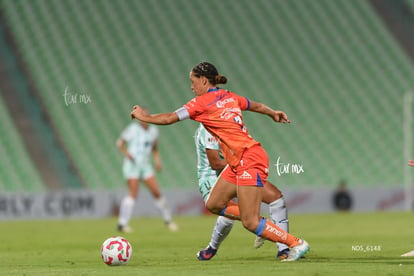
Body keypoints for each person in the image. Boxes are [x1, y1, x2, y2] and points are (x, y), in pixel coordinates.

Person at [130, 62, 309, 261]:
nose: (191, 87)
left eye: (193, 82)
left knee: (250, 222)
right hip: (238, 161)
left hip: (248, 158)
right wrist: (273, 112)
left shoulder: (201, 102)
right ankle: (269, 229)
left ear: (204, 80)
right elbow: (255, 105)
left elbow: (169, 118)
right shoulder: (230, 96)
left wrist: (142, 116)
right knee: (214, 203)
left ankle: (295, 243)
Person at [194, 123, 290, 260]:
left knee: (276, 198)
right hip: (213, 178)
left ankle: (284, 250)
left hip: (238, 172)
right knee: (228, 212)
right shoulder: (208, 128)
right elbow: (215, 163)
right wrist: (245, 164)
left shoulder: (233, 123)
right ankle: (212, 247)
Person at [116, 108, 178, 233]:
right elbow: (120, 143)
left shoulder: (153, 131)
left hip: (145, 165)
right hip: (132, 165)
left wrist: (157, 161)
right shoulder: (132, 129)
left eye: (145, 115)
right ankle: (122, 224)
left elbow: (155, 148)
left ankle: (168, 221)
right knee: (133, 193)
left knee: (156, 192)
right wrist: (127, 154)